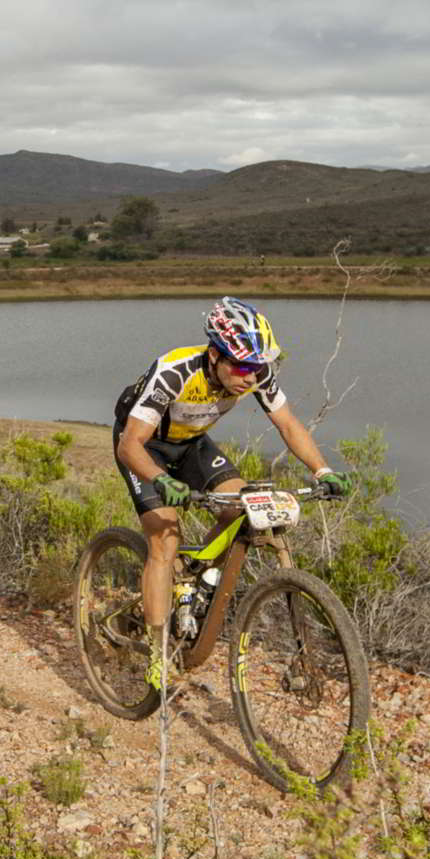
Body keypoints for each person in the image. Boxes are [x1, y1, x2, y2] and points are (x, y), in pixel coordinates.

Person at [113, 297, 353, 696]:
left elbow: (288, 424)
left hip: (191, 444)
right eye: (241, 367)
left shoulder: (256, 374)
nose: (249, 377)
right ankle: (158, 654)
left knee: (243, 506)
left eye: (258, 368)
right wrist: (161, 480)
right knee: (165, 538)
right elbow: (129, 446)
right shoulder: (174, 371)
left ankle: (195, 576)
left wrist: (323, 470)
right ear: (214, 355)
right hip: (146, 448)